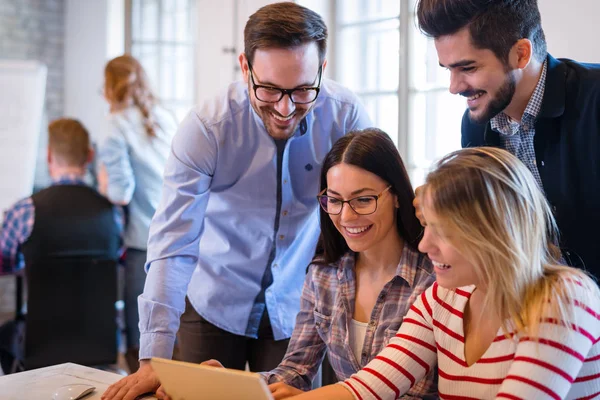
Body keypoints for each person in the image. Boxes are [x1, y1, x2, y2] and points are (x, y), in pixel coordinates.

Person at [101, 3, 371, 399]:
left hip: (297, 307)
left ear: (322, 69)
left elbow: (371, 216)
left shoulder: (346, 117)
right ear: (245, 67)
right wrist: (153, 355)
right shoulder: (207, 128)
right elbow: (173, 243)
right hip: (212, 299)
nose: (285, 108)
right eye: (270, 90)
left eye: (301, 90)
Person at [289, 147, 600, 400]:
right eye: (426, 228)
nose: (424, 246)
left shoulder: (565, 295)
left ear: (493, 232)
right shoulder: (442, 298)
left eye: (443, 232)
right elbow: (365, 388)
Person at [174, 129, 437, 400]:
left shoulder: (432, 278)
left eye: (363, 200)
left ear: (396, 196)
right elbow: (295, 371)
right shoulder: (324, 275)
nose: (346, 216)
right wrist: (231, 383)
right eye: (334, 200)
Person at [413, 0, 600, 277]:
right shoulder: (475, 125)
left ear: (521, 54)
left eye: (468, 68)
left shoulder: (594, 100)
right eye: (448, 69)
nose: (454, 87)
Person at [98, 54, 178, 373]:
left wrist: (102, 182)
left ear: (108, 87)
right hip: (178, 236)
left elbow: (120, 192)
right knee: (170, 328)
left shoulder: (114, 126)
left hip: (142, 242)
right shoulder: (164, 116)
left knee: (141, 336)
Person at [0, 117, 122, 274]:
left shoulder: (24, 211)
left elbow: (4, 264)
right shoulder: (113, 213)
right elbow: (118, 257)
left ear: (49, 156)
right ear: (90, 156)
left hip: (42, 298)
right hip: (103, 299)